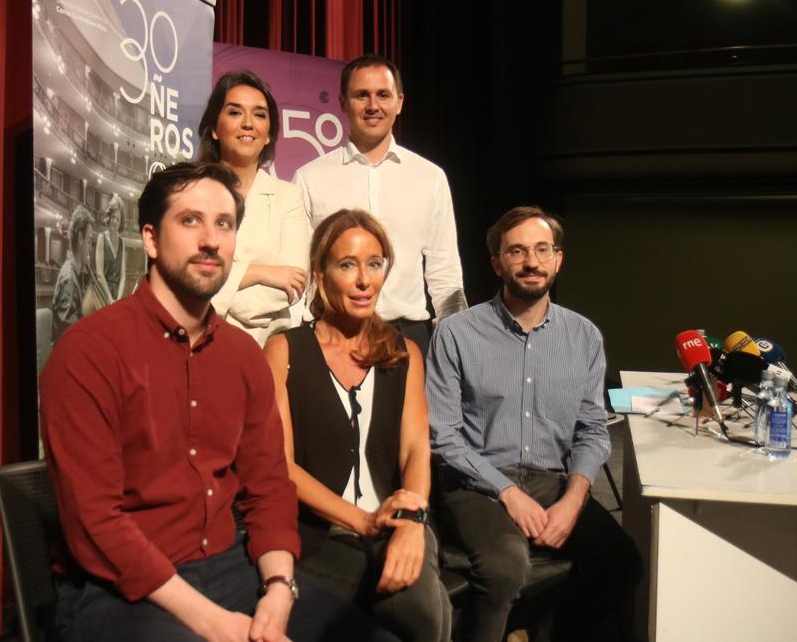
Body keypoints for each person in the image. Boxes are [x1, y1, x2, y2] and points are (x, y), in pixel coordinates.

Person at [40, 162, 396, 642]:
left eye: (224, 224)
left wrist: (277, 589)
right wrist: (213, 624)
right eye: (190, 221)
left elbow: (269, 487)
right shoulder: (87, 352)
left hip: (231, 570)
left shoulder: (242, 355)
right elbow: (95, 524)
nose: (211, 240)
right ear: (150, 239)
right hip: (117, 588)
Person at [427, 206, 642, 642]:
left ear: (557, 260)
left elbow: (592, 430)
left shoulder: (584, 336)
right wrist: (506, 492)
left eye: (542, 250)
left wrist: (574, 497)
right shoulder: (456, 334)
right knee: (507, 566)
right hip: (478, 485)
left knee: (621, 561)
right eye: (518, 251)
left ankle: (541, 633)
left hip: (553, 481)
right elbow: (443, 436)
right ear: (497, 264)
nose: (531, 261)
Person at [264, 209, 452, 642]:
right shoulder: (284, 350)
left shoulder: (405, 353)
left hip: (397, 522)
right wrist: (363, 522)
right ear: (321, 272)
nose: (365, 280)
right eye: (348, 265)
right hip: (319, 534)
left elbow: (416, 448)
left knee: (424, 613)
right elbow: (281, 468)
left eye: (375, 263)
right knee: (425, 615)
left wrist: (410, 519)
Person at [293, 55, 465, 354]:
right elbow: (301, 271)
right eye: (362, 95)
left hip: (407, 337)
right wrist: (295, 341)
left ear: (399, 102)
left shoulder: (430, 177)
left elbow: (445, 273)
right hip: (331, 333)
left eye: (383, 95)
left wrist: (459, 346)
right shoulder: (309, 178)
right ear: (343, 103)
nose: (373, 106)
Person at [200, 71, 311, 346]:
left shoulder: (289, 196)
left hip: (268, 346)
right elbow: (183, 277)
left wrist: (221, 287)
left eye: (259, 115)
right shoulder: (190, 193)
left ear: (269, 135)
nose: (248, 124)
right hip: (199, 339)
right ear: (215, 128)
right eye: (235, 113)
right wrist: (256, 272)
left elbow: (293, 284)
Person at [51, 205, 95, 339]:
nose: (90, 248)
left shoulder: (76, 272)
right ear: (80, 239)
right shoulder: (69, 280)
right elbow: (71, 335)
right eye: (89, 241)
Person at [89, 193, 128, 310]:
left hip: (117, 296)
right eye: (113, 217)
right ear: (109, 217)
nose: (114, 221)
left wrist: (119, 299)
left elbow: (123, 276)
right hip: (103, 294)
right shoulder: (102, 238)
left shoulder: (122, 243)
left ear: (121, 221)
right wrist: (110, 299)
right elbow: (100, 274)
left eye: (118, 219)